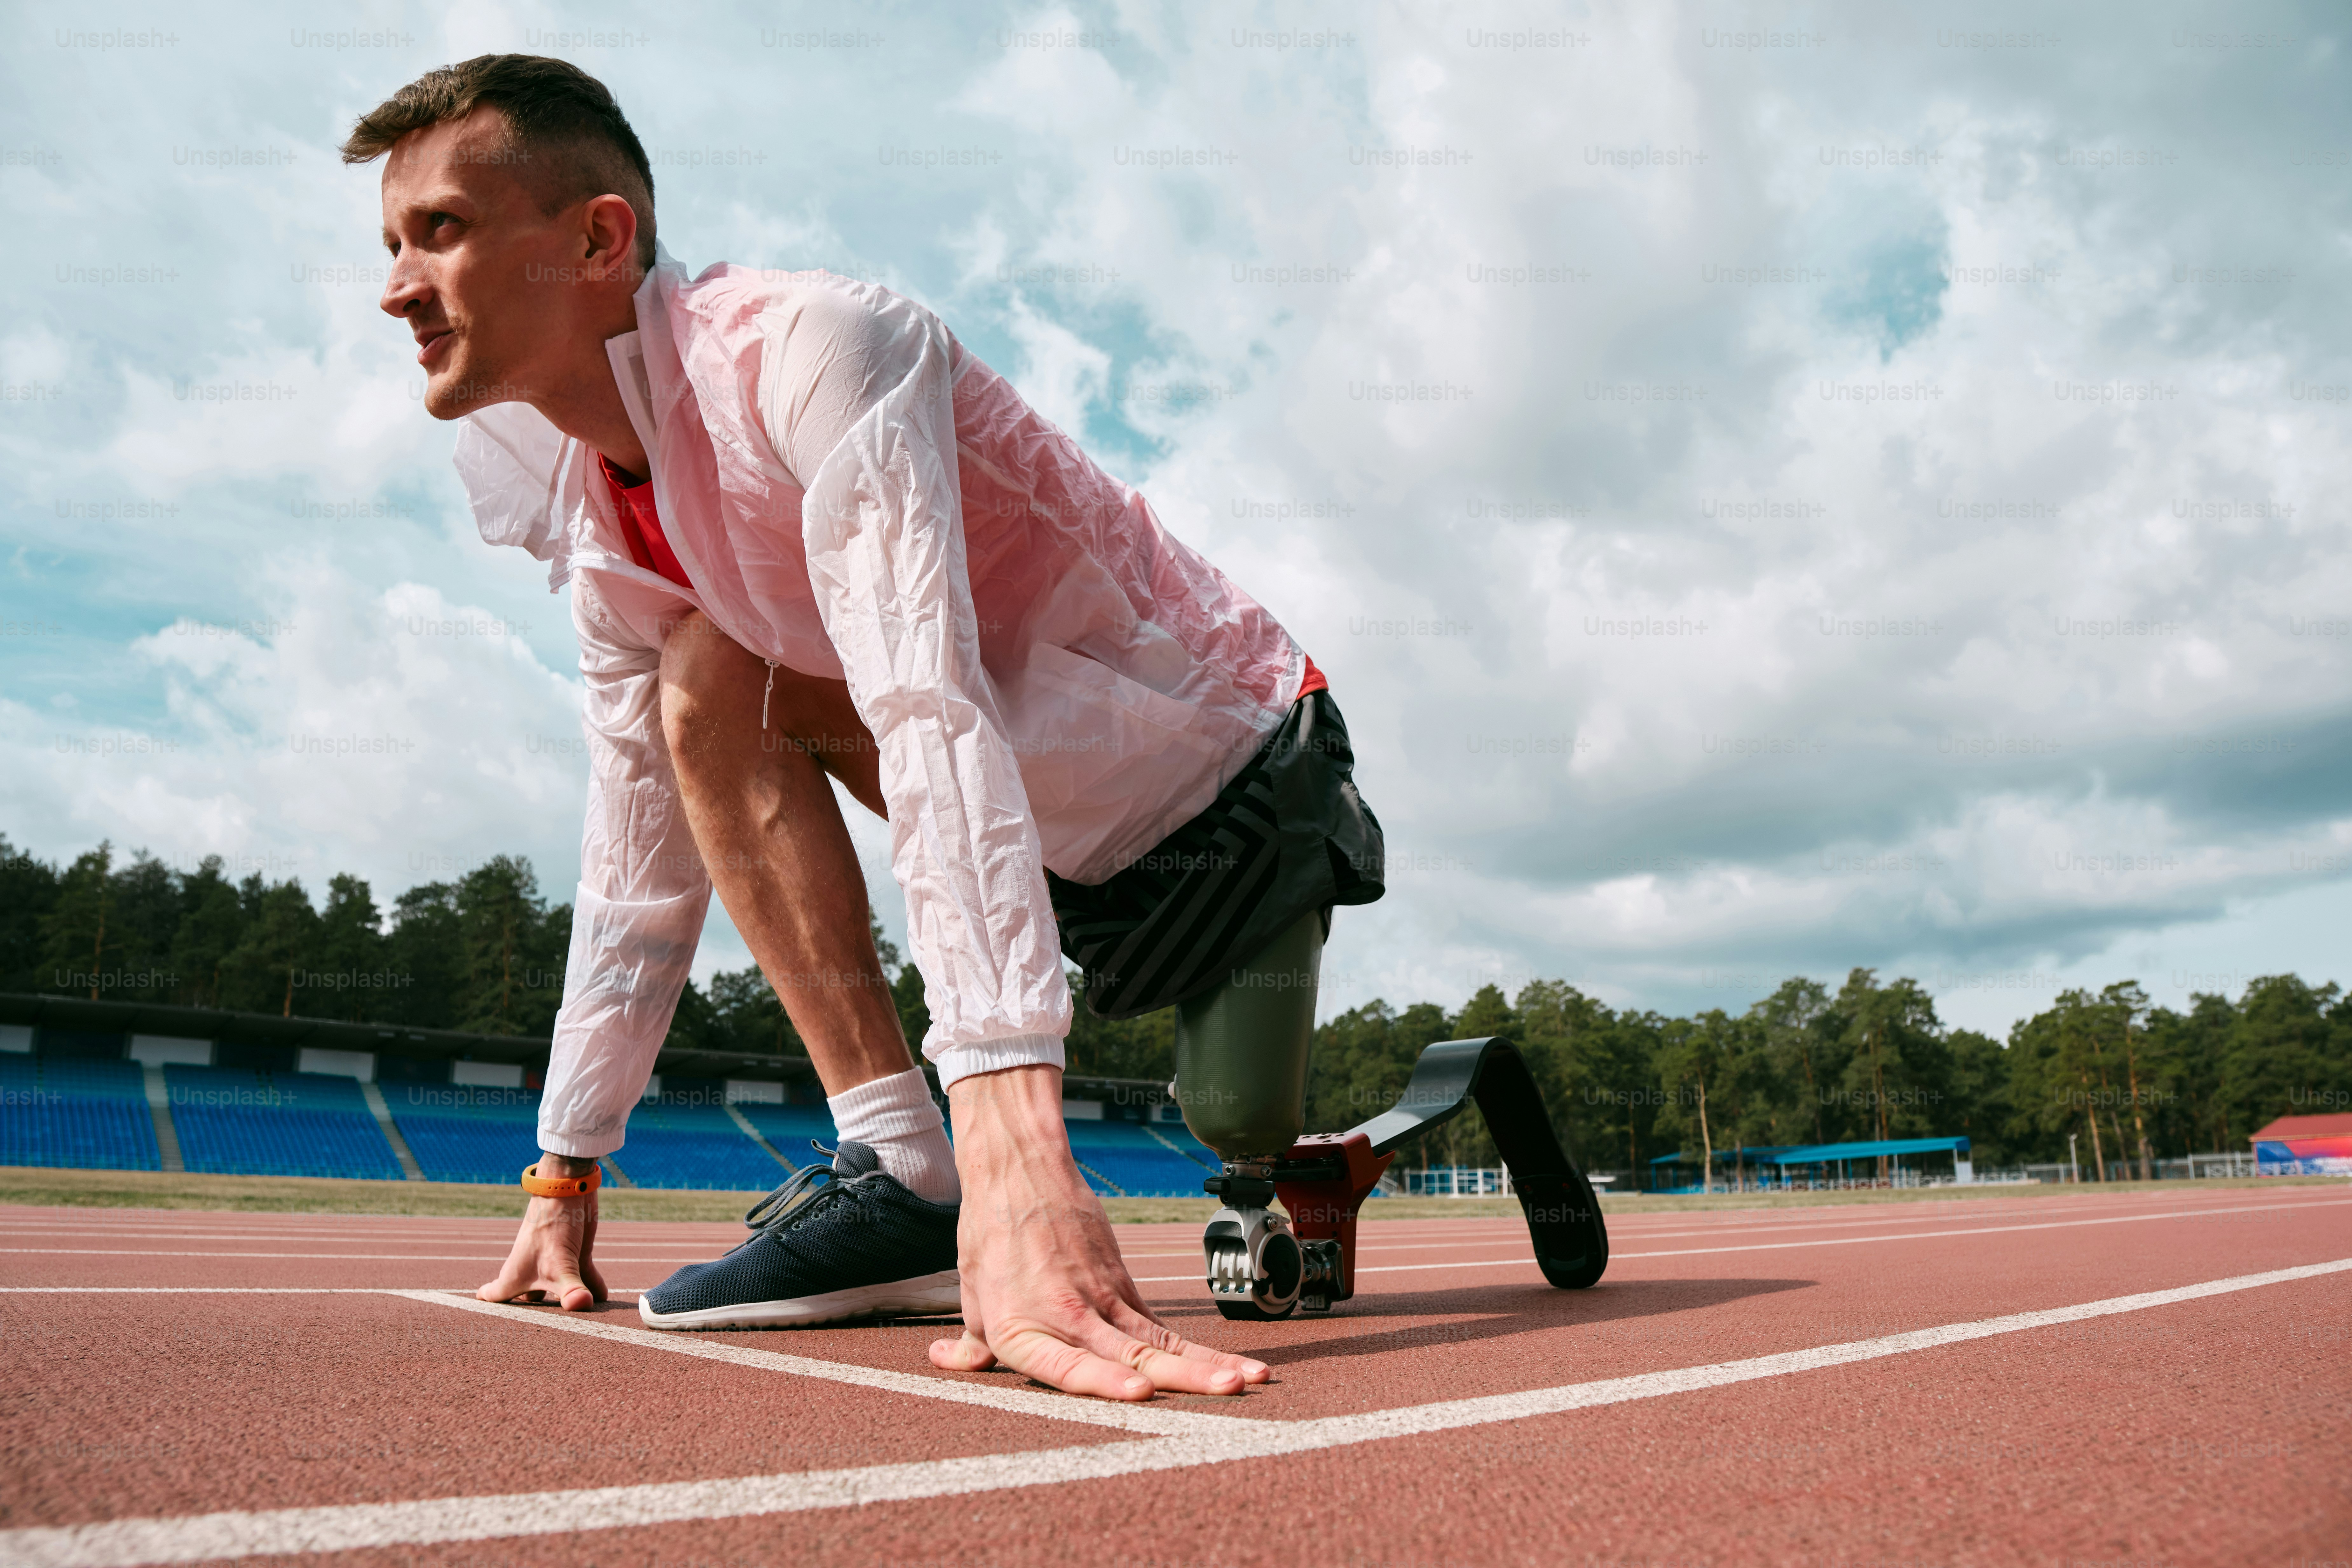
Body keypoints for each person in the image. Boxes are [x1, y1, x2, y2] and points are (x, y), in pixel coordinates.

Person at [346, 55, 1382, 1403]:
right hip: (1049, 844)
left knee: (1238, 1123)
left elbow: (924, 706)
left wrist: (1018, 1141)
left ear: (597, 238)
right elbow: (636, 852)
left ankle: (1385, 1123)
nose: (396, 287)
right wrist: (565, 1161)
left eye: (441, 230)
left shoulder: (816, 348)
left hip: (1230, 784)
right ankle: (900, 1165)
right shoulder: (602, 520)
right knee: (704, 673)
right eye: (389, 244)